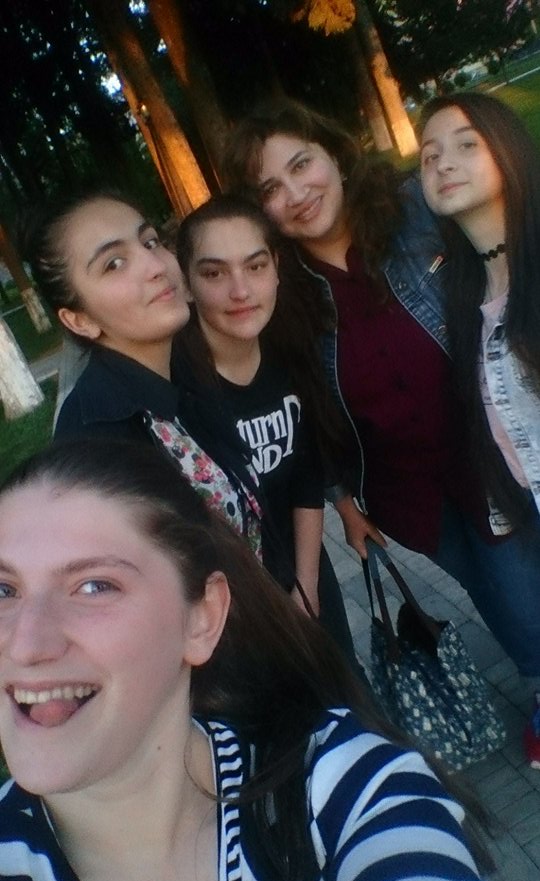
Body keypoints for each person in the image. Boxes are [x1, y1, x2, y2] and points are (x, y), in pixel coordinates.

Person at [0, 438, 532, 881]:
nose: (25, 643)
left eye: (95, 586)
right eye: (3, 591)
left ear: (203, 618)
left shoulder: (341, 791)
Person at [223, 98, 540, 677]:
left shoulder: (415, 210)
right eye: (270, 188)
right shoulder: (280, 296)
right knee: (487, 588)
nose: (295, 194)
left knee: (520, 596)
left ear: (333, 155)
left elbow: (503, 225)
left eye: (301, 164)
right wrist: (344, 503)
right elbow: (306, 411)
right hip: (408, 496)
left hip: (490, 458)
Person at [20, 188, 264, 558]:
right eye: (114, 263)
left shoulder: (183, 371)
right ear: (79, 320)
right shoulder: (98, 449)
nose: (156, 266)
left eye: (150, 242)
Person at [175, 194, 357, 662]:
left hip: (303, 569)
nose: (241, 291)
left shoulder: (289, 355)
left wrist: (307, 585)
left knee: (345, 683)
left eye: (255, 266)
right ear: (187, 285)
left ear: (276, 268)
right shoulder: (177, 391)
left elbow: (306, 476)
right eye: (214, 273)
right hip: (232, 608)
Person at [419, 91, 540, 760]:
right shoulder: (464, 297)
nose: (443, 163)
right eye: (429, 155)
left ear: (507, 150)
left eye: (466, 144)